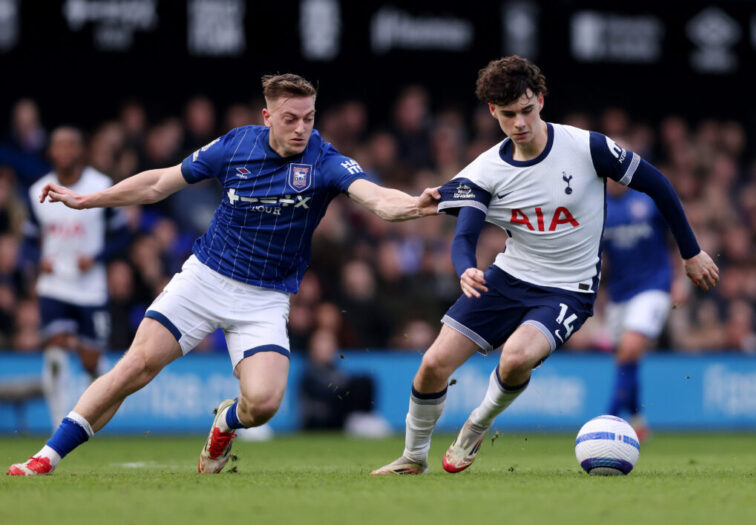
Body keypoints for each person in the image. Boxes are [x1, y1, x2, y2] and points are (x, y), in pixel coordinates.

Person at [8, 74, 440, 476]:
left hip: (265, 298)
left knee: (264, 404)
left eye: (309, 118)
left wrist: (418, 205)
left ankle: (226, 422)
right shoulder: (236, 145)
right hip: (205, 279)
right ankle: (45, 457)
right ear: (267, 116)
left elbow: (377, 199)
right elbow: (160, 183)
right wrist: (88, 200)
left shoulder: (324, 160)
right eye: (290, 119)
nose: (301, 128)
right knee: (135, 367)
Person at [371, 56, 719, 475]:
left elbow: (658, 184)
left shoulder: (586, 147)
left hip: (569, 289)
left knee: (515, 358)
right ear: (492, 112)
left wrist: (690, 251)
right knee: (432, 365)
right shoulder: (485, 170)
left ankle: (478, 422)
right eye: (508, 114)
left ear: (540, 99)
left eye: (526, 110)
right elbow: (465, 235)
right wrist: (465, 267)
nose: (519, 123)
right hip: (507, 278)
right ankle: (413, 457)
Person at [24, 127, 130, 429]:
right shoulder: (38, 191)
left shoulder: (100, 186)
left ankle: (92, 418)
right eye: (60, 145)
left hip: (90, 288)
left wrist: (96, 257)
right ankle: (60, 422)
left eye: (72, 145)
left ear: (81, 151)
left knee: (90, 361)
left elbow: (123, 235)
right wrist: (38, 259)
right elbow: (28, 241)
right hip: (54, 285)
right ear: (51, 152)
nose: (66, 151)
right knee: (55, 352)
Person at [603, 181, 674, 441]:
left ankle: (607, 421)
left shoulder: (648, 199)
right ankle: (637, 420)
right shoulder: (597, 204)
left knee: (630, 348)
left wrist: (681, 278)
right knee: (625, 360)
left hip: (653, 285)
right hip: (619, 292)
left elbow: (675, 235)